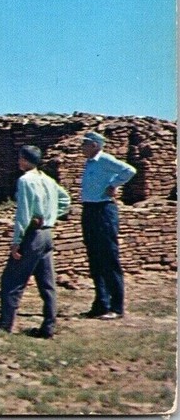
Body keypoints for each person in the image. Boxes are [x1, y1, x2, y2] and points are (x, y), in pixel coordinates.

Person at [0, 145, 70, 337]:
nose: (18, 161)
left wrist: (17, 241)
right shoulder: (48, 180)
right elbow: (66, 200)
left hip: (32, 235)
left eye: (19, 158)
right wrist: (52, 216)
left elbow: (23, 213)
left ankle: (6, 323)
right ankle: (49, 325)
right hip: (47, 233)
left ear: (24, 159)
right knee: (47, 283)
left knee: (12, 280)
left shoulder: (25, 181)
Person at [79, 131, 136, 320]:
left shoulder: (105, 159)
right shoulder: (89, 163)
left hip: (104, 210)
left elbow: (129, 170)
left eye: (85, 143)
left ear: (95, 144)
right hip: (89, 209)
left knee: (109, 257)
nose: (82, 147)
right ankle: (101, 304)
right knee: (95, 257)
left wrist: (113, 185)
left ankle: (116, 306)